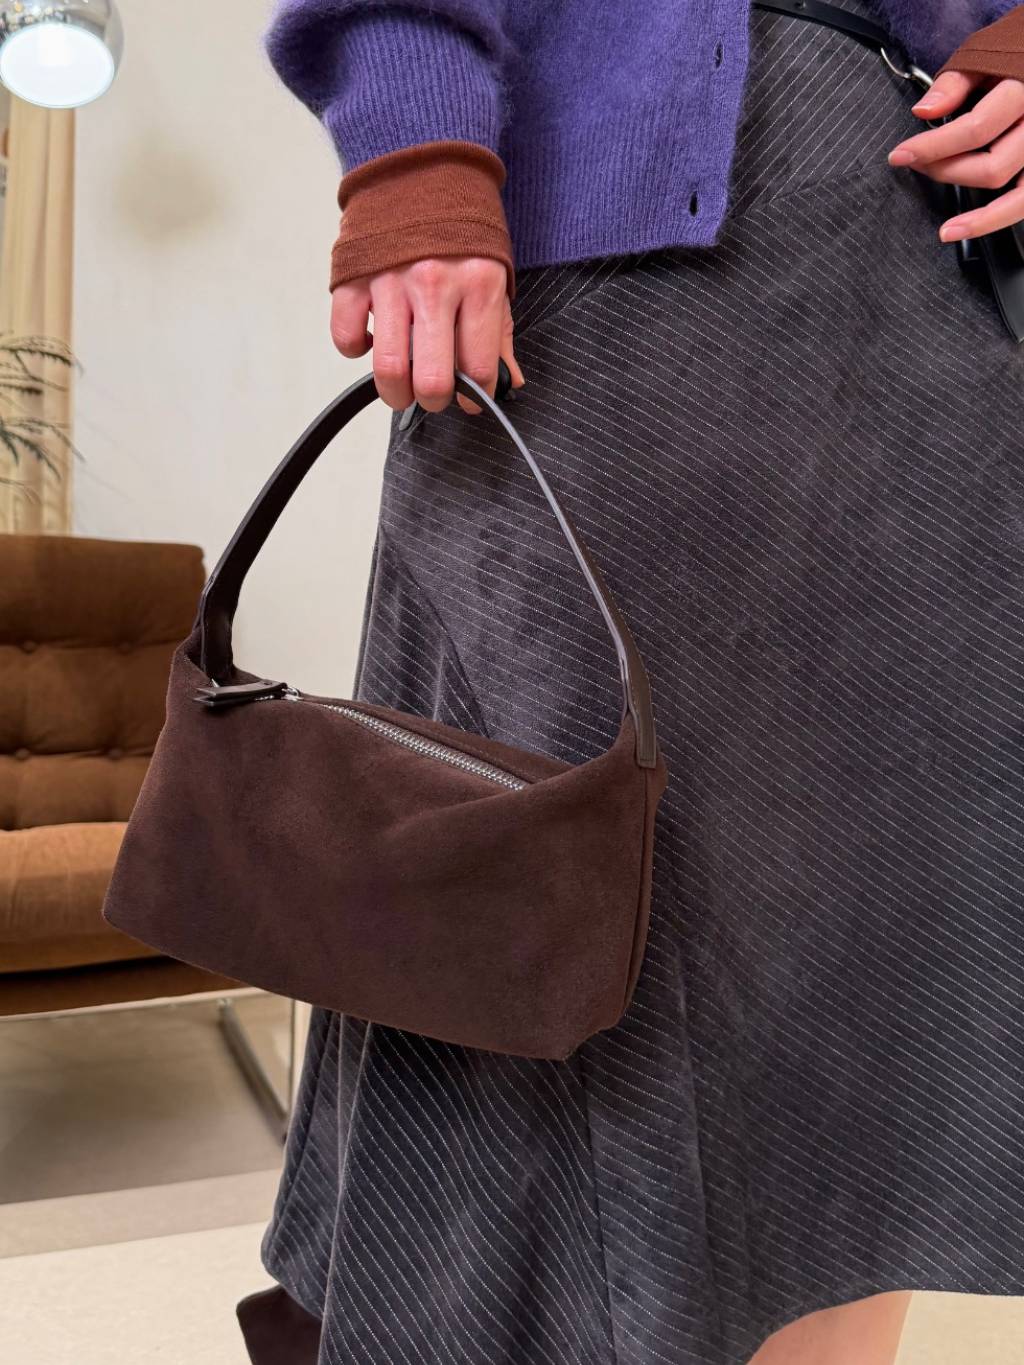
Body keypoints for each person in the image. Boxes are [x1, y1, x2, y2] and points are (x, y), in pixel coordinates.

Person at [238, 3, 1024, 1363]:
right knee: (552, 943)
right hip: (599, 290)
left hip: (920, 281)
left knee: (867, 969)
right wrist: (416, 153)